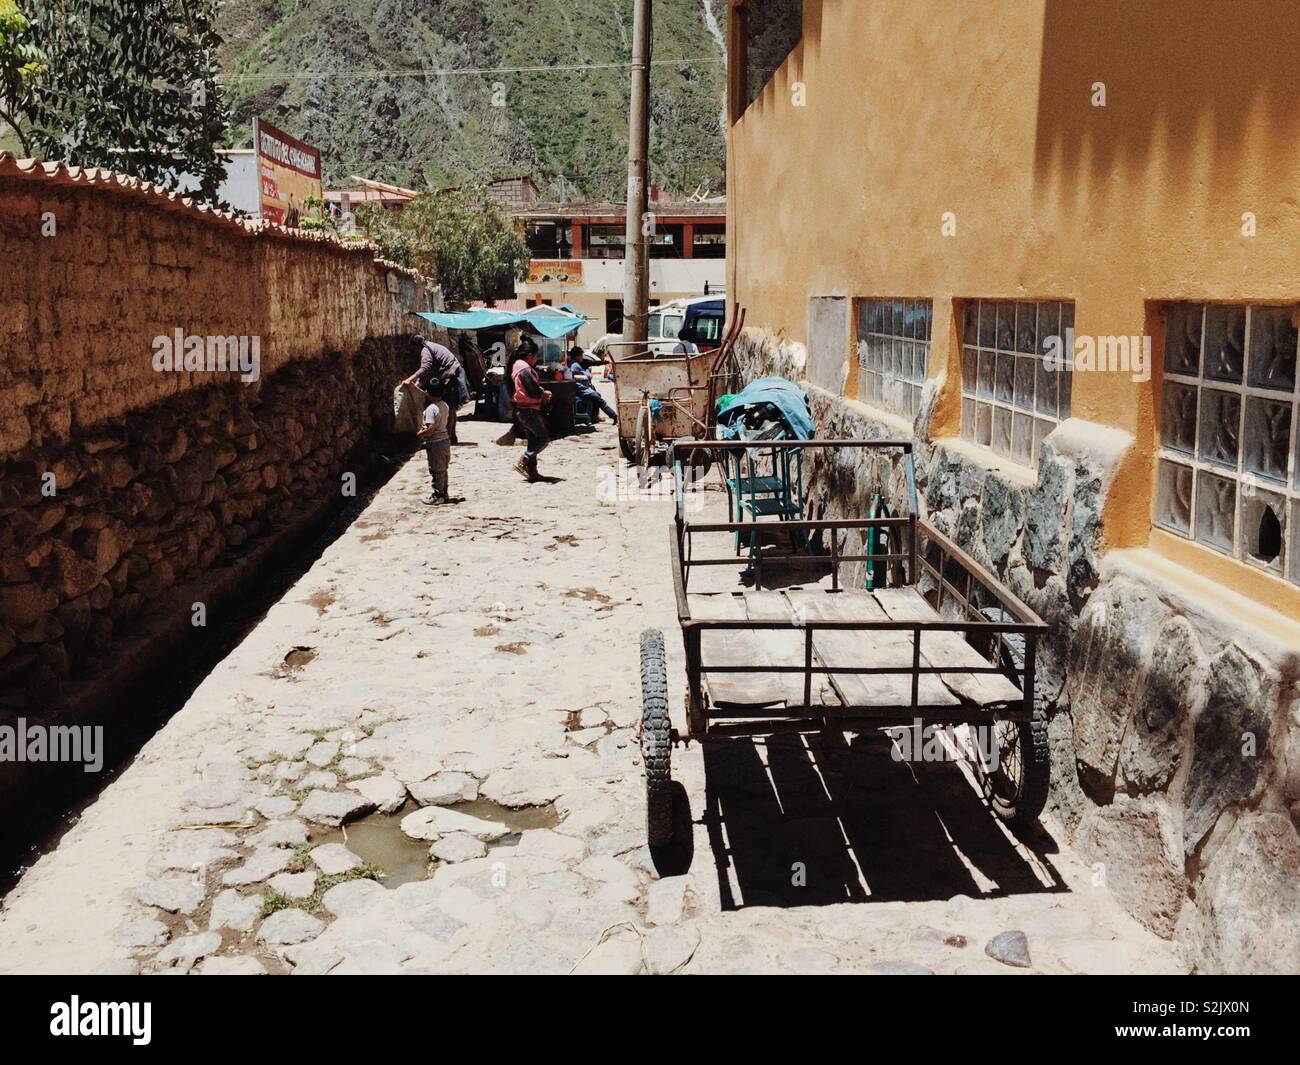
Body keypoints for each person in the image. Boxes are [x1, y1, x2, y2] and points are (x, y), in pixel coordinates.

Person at [403, 333, 462, 444]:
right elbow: (429, 371)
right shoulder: (431, 346)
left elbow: (426, 367)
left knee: (448, 407)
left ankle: (448, 437)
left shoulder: (425, 350)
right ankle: (451, 436)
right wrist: (418, 383)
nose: (415, 352)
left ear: (417, 346)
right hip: (453, 372)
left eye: (414, 349)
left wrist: (410, 379)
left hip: (450, 374)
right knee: (451, 408)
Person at [511, 343, 552, 481]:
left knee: (533, 441)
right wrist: (544, 393)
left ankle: (532, 472)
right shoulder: (525, 370)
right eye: (535, 356)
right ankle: (525, 459)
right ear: (530, 355)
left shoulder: (517, 367)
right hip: (529, 410)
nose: (536, 359)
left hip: (522, 409)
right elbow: (533, 391)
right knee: (543, 439)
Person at [415, 380, 451, 505]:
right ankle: (444, 493)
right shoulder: (445, 405)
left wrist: (419, 434)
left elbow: (431, 429)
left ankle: (438, 495)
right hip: (445, 440)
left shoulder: (431, 409)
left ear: (428, 393)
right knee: (443, 469)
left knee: (436, 469)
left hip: (435, 442)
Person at [568, 346, 616, 422]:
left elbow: (594, 363)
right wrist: (588, 374)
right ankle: (613, 415)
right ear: (577, 356)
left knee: (597, 395)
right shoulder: (575, 365)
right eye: (581, 356)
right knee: (599, 399)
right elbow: (586, 375)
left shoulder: (578, 363)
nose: (582, 357)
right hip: (582, 390)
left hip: (585, 388)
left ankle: (595, 416)